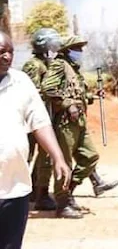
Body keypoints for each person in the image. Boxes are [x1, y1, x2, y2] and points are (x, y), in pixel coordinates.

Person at [0, 31, 71, 249]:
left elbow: (39, 121)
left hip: (15, 188)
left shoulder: (21, 82)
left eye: (10, 51)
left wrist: (58, 157)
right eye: (1, 52)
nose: (7, 57)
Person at [41, 35, 118, 219]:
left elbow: (77, 93)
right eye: (77, 48)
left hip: (79, 121)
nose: (80, 52)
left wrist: (92, 96)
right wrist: (68, 104)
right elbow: (48, 88)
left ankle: (69, 191)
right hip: (65, 122)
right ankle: (62, 203)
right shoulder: (60, 65)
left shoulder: (74, 70)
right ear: (67, 51)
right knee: (65, 163)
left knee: (90, 157)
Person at [22, 28, 62, 211]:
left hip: (43, 118)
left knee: (44, 158)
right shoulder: (34, 65)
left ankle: (38, 191)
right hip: (29, 122)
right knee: (26, 156)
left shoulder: (46, 64)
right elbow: (32, 92)